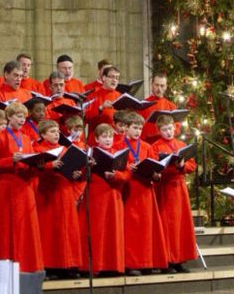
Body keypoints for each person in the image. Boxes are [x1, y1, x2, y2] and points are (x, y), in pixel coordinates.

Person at [0, 102, 44, 272]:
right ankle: (8, 265)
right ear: (9, 117)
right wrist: (12, 160)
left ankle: (27, 265)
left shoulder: (25, 138)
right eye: (18, 116)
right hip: (7, 187)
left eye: (24, 117)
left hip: (24, 187)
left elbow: (29, 160)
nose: (22, 119)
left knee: (26, 227)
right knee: (8, 227)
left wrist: (37, 165)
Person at [121, 112, 169, 276]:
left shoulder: (147, 147)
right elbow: (117, 165)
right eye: (134, 128)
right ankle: (132, 263)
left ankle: (147, 262)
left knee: (147, 228)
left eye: (140, 128)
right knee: (132, 228)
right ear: (125, 128)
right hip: (129, 190)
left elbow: (155, 167)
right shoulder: (119, 145)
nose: (138, 131)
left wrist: (156, 175)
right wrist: (129, 168)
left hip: (145, 190)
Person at [34, 119, 83, 278]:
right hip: (48, 193)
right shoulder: (38, 149)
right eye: (52, 132)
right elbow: (35, 169)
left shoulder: (64, 149)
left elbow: (73, 169)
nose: (56, 134)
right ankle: (51, 266)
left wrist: (76, 175)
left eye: (57, 131)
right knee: (51, 230)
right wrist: (49, 166)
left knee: (68, 229)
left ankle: (69, 264)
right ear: (42, 134)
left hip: (66, 191)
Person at [151, 115, 197, 272]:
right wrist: (171, 167)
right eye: (164, 130)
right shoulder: (156, 146)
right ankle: (167, 260)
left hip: (179, 188)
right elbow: (155, 167)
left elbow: (192, 166)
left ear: (175, 127)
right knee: (167, 224)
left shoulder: (181, 144)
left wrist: (182, 166)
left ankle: (179, 259)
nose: (168, 132)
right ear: (159, 131)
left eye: (170, 128)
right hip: (165, 188)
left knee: (180, 225)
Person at [79, 123, 126, 275]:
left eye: (110, 137)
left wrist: (117, 175)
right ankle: (95, 266)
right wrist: (89, 166)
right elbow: (81, 174)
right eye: (104, 137)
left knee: (113, 230)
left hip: (113, 195)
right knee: (97, 230)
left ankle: (112, 266)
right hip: (96, 195)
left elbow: (126, 174)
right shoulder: (91, 153)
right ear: (97, 139)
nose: (108, 140)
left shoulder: (118, 153)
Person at [139, 73, 179, 144]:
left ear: (166, 87)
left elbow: (176, 129)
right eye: (156, 85)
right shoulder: (143, 105)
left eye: (162, 86)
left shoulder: (172, 106)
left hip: (167, 144)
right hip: (148, 144)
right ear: (152, 85)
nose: (159, 89)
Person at [85, 65, 121, 141]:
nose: (114, 80)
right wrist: (101, 108)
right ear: (104, 78)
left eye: (117, 78)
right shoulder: (92, 96)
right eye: (111, 77)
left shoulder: (120, 96)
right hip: (96, 139)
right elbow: (88, 118)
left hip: (115, 139)